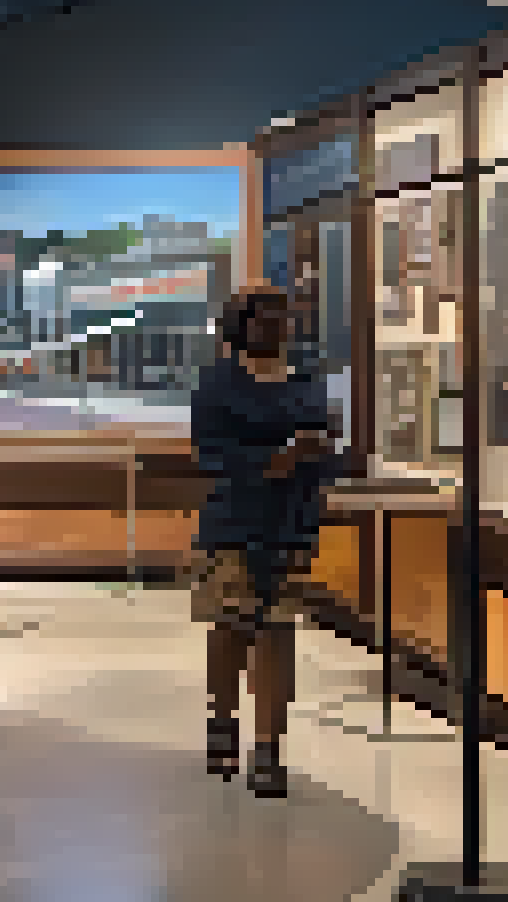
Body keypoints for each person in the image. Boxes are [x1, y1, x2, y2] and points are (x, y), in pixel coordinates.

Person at [187, 287, 339, 798]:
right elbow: (210, 456)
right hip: (233, 524)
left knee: (276, 633)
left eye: (285, 318)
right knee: (231, 627)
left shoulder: (305, 381)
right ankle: (222, 721)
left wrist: (314, 455)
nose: (278, 328)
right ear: (240, 326)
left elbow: (324, 446)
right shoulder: (218, 384)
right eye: (265, 319)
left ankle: (269, 748)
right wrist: (271, 462)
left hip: (291, 524)